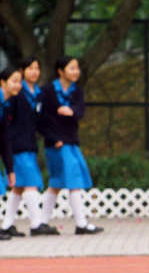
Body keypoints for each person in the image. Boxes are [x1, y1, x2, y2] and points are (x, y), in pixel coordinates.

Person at [37, 56, 103, 235]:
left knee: (56, 184)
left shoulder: (77, 91)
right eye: (72, 68)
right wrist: (52, 138)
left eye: (77, 68)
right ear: (61, 71)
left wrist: (72, 111)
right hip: (56, 144)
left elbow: (80, 111)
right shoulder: (47, 91)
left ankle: (41, 223)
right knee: (72, 182)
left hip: (71, 141)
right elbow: (40, 120)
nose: (76, 72)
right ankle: (81, 224)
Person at [2, 57, 58, 237]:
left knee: (18, 186)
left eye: (37, 68)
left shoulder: (38, 94)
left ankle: (7, 225)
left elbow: (39, 122)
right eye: (30, 68)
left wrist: (52, 136)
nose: (34, 72)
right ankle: (36, 224)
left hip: (29, 144)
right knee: (32, 183)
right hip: (17, 145)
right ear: (22, 71)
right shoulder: (15, 95)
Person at [0, 67, 19, 240]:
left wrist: (10, 169)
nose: (18, 85)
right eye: (14, 80)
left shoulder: (5, 105)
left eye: (19, 81)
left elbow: (5, 139)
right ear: (2, 82)